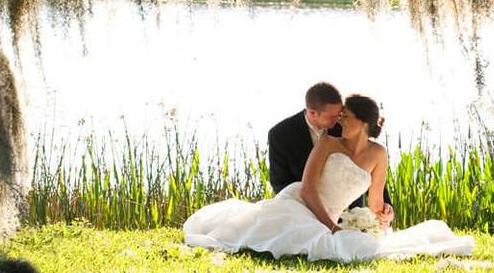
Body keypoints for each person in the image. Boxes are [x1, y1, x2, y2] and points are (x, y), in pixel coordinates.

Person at [183, 94, 474, 262]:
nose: (339, 121)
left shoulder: (379, 154)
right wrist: (331, 228)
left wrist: (383, 216)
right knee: (281, 236)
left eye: (345, 117)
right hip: (299, 204)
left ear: (363, 122)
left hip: (333, 216)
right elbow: (309, 189)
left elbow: (375, 202)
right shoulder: (327, 143)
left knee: (365, 247)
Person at [267, 82, 394, 227]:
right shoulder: (281, 134)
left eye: (342, 114)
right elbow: (280, 182)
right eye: (334, 116)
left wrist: (385, 209)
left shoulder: (348, 130)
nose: (339, 120)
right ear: (313, 113)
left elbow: (366, 169)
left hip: (348, 216)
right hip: (299, 208)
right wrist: (308, 217)